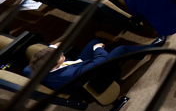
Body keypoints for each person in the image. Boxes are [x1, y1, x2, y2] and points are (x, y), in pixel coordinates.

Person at [25, 38, 159, 93]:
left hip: (75, 68)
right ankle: (152, 48)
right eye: (59, 55)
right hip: (93, 78)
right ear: (53, 66)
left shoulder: (33, 69)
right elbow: (99, 62)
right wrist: (98, 50)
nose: (62, 52)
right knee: (120, 49)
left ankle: (133, 54)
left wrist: (52, 48)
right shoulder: (71, 73)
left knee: (93, 41)